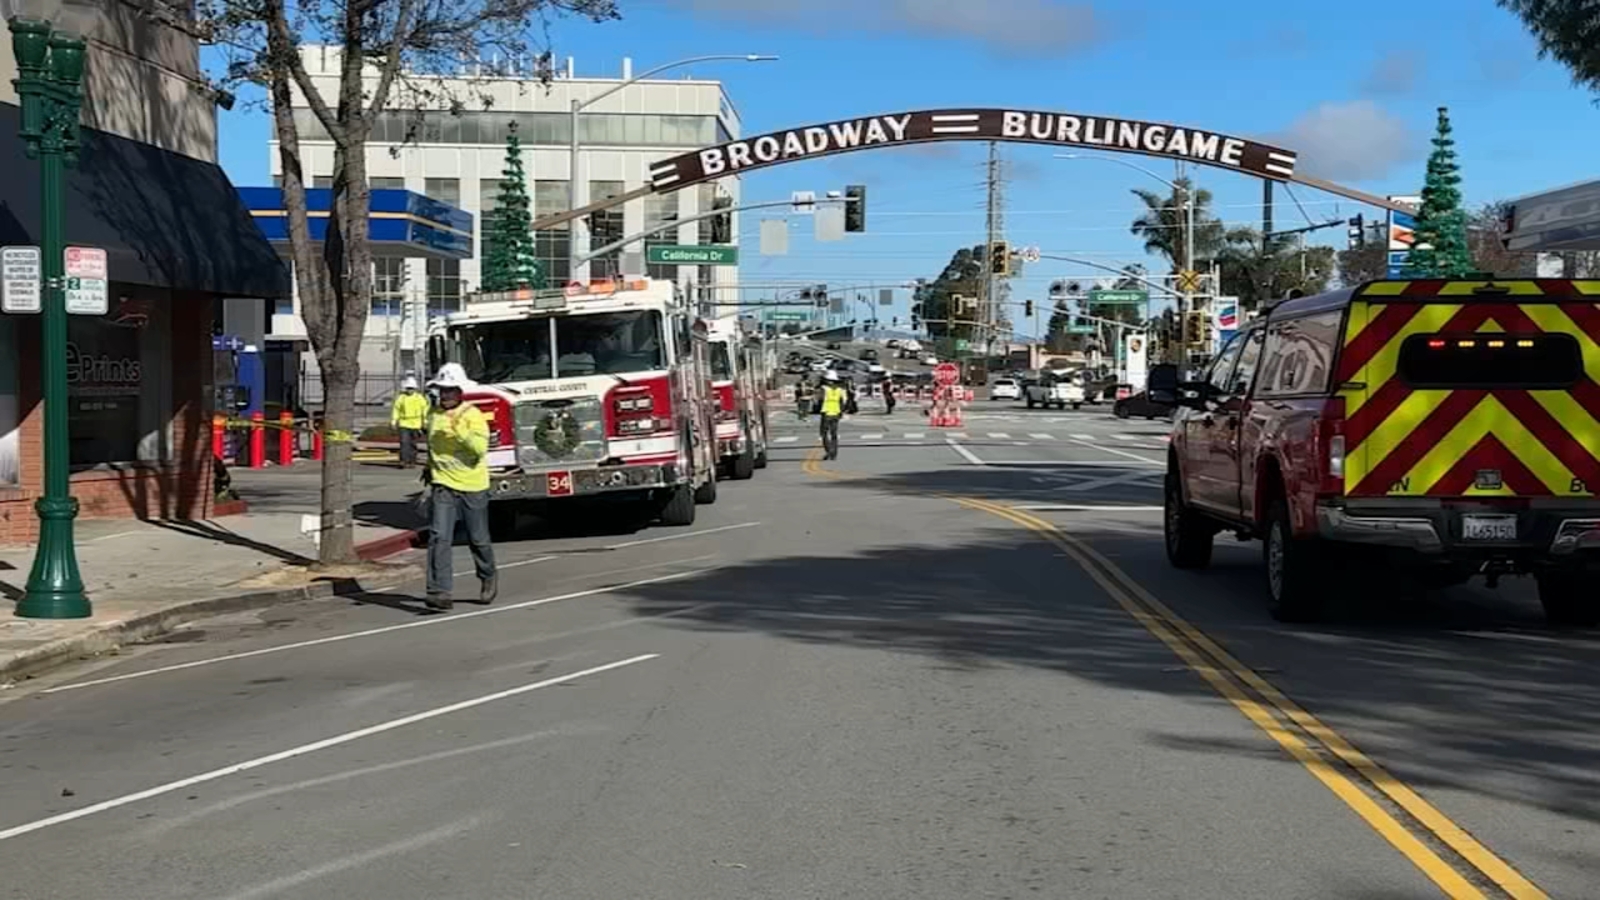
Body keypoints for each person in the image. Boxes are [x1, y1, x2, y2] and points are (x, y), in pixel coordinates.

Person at [423, 363, 497, 611]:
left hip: (473, 485)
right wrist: (428, 469)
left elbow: (479, 449)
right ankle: (439, 591)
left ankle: (487, 576)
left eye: (451, 390)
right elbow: (433, 446)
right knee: (439, 536)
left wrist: (459, 433)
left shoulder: (472, 415)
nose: (445, 395)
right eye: (442, 390)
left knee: (478, 538)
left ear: (460, 392)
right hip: (443, 484)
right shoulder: (432, 415)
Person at [390, 376, 429, 468]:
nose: (409, 390)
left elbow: (425, 410)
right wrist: (394, 421)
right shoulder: (401, 398)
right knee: (404, 443)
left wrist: (425, 422)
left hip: (416, 424)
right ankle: (403, 461)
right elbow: (396, 410)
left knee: (413, 444)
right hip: (404, 423)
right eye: (408, 388)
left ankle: (412, 461)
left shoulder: (420, 398)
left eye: (411, 388)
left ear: (415, 389)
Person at [816, 370, 853, 461]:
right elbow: (844, 401)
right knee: (834, 434)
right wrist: (842, 411)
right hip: (836, 412)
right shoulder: (840, 389)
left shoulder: (824, 388)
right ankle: (834, 453)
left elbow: (818, 399)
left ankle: (829, 451)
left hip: (826, 411)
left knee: (824, 433)